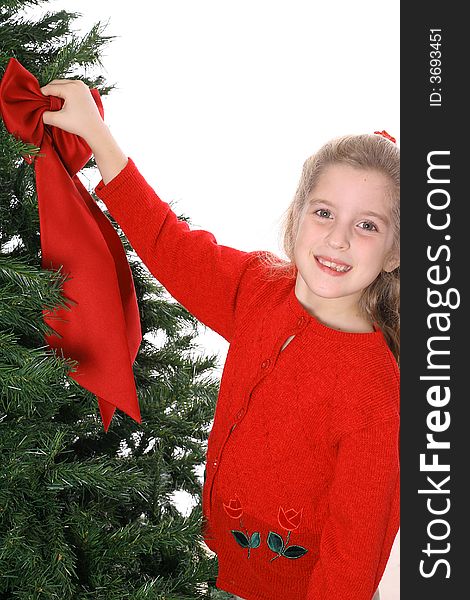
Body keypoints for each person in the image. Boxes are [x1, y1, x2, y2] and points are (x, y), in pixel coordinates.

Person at [40, 79, 400, 600]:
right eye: (324, 212)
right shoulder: (257, 288)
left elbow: (353, 558)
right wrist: (98, 137)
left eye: (367, 225)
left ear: (395, 253)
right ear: (298, 213)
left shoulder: (378, 392)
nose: (338, 238)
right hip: (206, 573)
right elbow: (170, 243)